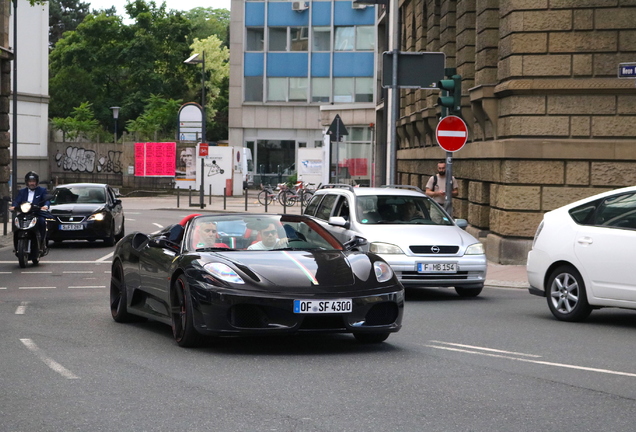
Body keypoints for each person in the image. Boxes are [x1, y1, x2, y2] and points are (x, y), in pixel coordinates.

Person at [9, 171, 50, 246]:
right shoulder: (22, 191)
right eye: (30, 181)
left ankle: (41, 241)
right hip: (24, 213)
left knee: (41, 221)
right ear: (27, 182)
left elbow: (46, 200)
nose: (32, 183)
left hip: (37, 212)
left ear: (36, 182)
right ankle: (16, 242)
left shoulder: (42, 190)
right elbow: (17, 200)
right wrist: (14, 206)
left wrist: (45, 206)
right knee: (16, 222)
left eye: (33, 181)